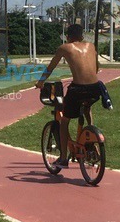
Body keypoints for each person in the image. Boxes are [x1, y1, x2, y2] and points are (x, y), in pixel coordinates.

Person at [35, 24, 105, 168]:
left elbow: (50, 67)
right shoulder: (91, 46)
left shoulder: (65, 48)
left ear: (68, 37)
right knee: (87, 108)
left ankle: (62, 158)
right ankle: (90, 134)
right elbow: (96, 67)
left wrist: (41, 82)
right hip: (95, 88)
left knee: (65, 120)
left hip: (78, 89)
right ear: (82, 36)